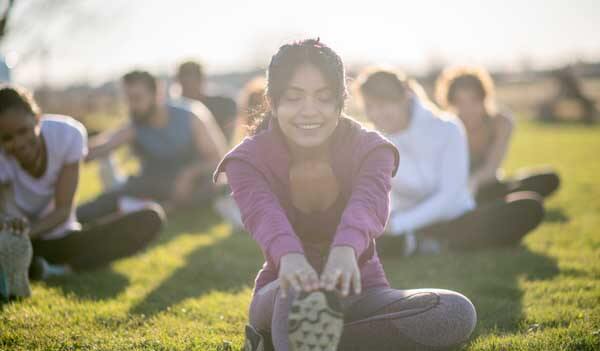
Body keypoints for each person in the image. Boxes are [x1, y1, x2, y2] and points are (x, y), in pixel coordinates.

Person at [214, 39, 476, 351]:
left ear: (341, 101)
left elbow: (369, 202)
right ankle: (293, 333)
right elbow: (263, 214)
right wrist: (291, 256)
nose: (309, 111)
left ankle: (284, 342)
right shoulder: (247, 160)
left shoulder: (371, 148)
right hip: (285, 289)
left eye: (324, 98)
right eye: (294, 97)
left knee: (454, 311)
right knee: (302, 286)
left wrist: (345, 249)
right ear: (273, 100)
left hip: (362, 290)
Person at [356, 68, 546, 256]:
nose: (376, 114)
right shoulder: (371, 141)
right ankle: (424, 242)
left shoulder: (448, 128)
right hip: (405, 220)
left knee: (528, 208)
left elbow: (450, 197)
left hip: (455, 218)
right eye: (369, 107)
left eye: (382, 105)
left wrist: (398, 225)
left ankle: (423, 242)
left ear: (404, 97)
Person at [0, 85, 164, 280]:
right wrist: (12, 238)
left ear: (37, 118)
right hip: (17, 243)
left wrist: (23, 236)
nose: (18, 143)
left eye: (23, 131)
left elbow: (63, 211)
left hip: (59, 236)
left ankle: (55, 268)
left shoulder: (67, 135)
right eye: (7, 138)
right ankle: (36, 266)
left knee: (151, 218)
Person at [77, 70, 228, 222]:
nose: (132, 106)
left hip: (195, 183)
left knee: (216, 188)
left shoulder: (191, 115)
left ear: (157, 94)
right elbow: (103, 145)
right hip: (154, 183)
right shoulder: (136, 125)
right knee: (107, 201)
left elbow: (218, 160)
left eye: (137, 98)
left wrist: (190, 174)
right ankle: (71, 220)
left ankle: (157, 209)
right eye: (128, 99)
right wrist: (66, 149)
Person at [435, 66, 560, 204]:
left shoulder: (502, 122)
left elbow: (491, 168)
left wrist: (472, 184)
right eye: (460, 102)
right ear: (450, 103)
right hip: (455, 189)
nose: (467, 109)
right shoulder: (445, 128)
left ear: (484, 98)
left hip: (488, 185)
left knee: (548, 179)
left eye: (473, 100)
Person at [176, 61, 238, 141]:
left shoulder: (224, 105)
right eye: (186, 79)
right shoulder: (173, 111)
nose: (190, 85)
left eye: (194, 78)